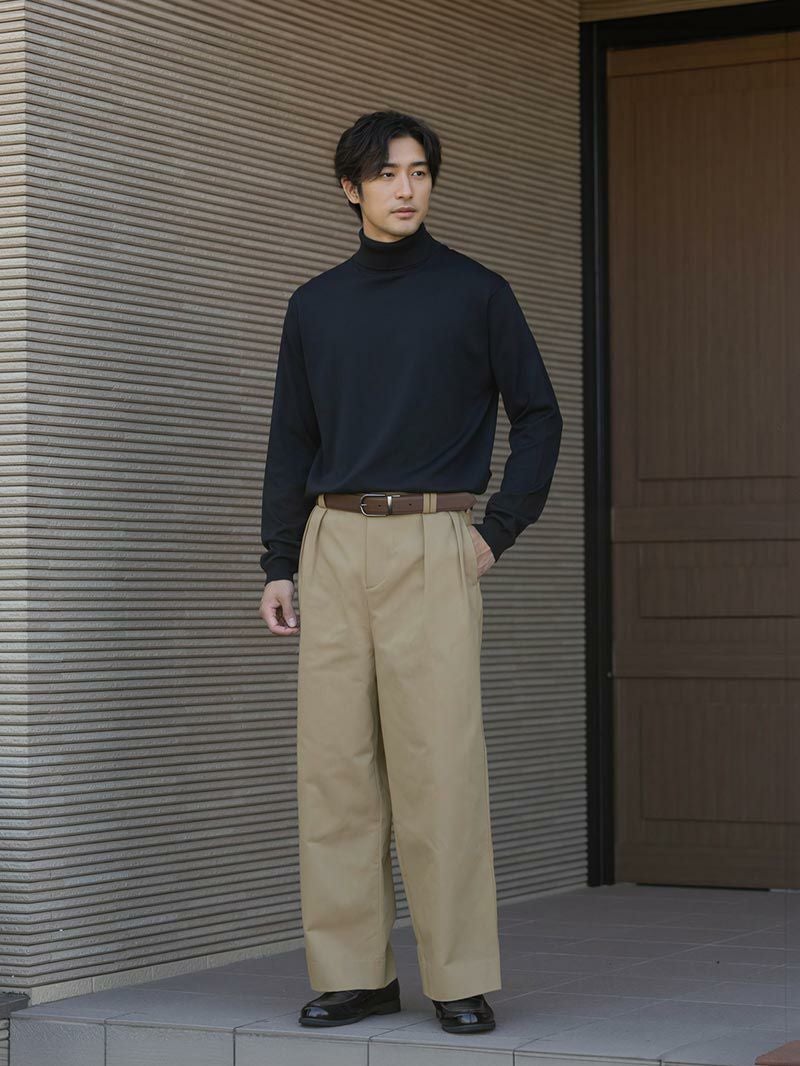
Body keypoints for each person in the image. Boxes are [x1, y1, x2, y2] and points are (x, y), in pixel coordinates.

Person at [259, 109, 563, 1035]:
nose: (406, 188)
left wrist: (498, 530)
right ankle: (355, 973)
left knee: (440, 768)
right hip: (333, 541)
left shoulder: (477, 293)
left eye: (420, 172)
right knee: (336, 771)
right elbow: (291, 440)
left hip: (434, 538)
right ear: (350, 188)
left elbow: (540, 415)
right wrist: (279, 562)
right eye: (387, 173)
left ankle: (457, 976)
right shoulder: (315, 305)